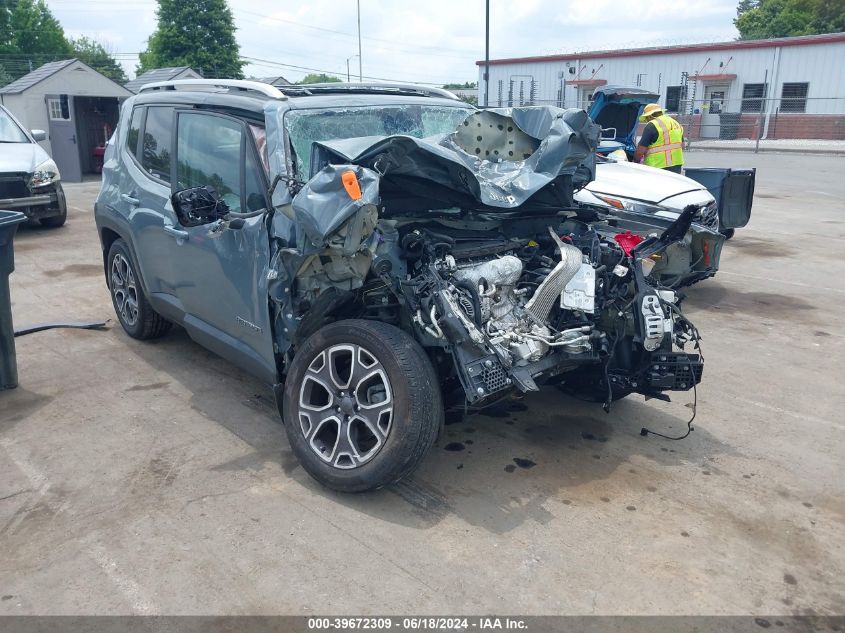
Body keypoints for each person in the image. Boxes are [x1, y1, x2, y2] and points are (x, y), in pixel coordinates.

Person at [634, 104, 684, 173]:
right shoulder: (676, 123)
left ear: (650, 116)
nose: (646, 120)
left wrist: (635, 161)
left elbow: (640, 152)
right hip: (676, 166)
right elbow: (682, 146)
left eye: (646, 118)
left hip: (657, 167)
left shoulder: (652, 125)